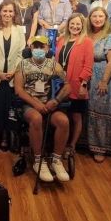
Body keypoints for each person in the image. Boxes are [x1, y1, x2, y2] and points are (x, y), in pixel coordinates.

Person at [13, 35, 72, 182]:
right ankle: (39, 160)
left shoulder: (54, 65)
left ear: (47, 48)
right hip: (29, 104)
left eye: (42, 46)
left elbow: (67, 86)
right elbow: (18, 90)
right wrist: (36, 104)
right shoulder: (22, 64)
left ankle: (56, 160)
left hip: (50, 104)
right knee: (36, 118)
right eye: (36, 46)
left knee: (63, 121)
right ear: (31, 48)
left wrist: (56, 101)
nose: (39, 49)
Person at [0, 2, 26, 151]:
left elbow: (21, 53)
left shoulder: (19, 30)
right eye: (5, 11)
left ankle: (5, 137)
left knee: (8, 109)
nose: (7, 14)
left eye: (10, 11)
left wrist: (14, 71)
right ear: (0, 12)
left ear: (14, 13)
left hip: (11, 77)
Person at [55, 13, 93, 155]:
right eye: (72, 23)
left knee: (76, 117)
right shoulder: (61, 40)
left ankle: (72, 145)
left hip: (77, 85)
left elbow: (88, 66)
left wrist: (84, 85)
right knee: (62, 116)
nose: (75, 26)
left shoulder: (87, 41)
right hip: (60, 84)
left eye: (78, 24)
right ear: (68, 25)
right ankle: (60, 144)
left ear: (82, 26)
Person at [86, 8, 111, 162]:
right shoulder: (86, 35)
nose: (97, 19)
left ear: (105, 19)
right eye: (94, 16)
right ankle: (85, 143)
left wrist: (104, 81)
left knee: (99, 110)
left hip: (102, 77)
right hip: (86, 76)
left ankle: (100, 147)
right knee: (86, 109)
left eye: (100, 16)